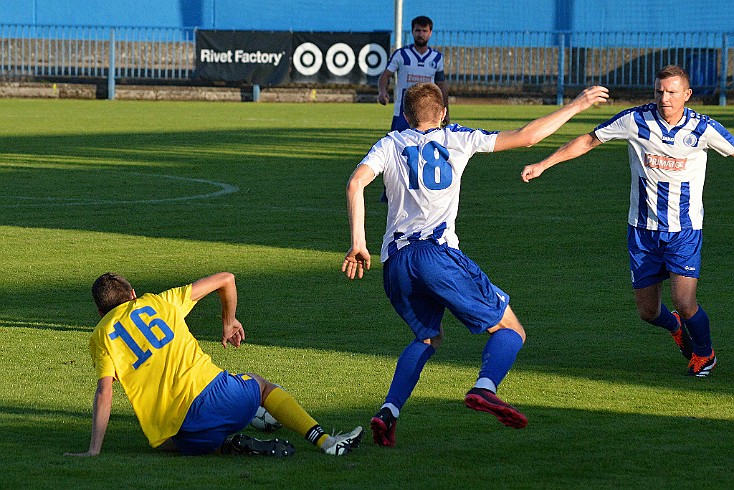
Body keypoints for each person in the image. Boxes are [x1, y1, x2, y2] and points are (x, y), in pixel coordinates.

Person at [343, 82, 609, 447]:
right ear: (443, 113)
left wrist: (359, 242)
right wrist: (577, 105)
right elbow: (528, 137)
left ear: (404, 117)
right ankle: (485, 388)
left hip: (396, 264)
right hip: (437, 256)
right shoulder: (457, 138)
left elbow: (356, 183)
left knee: (427, 337)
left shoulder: (390, 143)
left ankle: (388, 411)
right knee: (511, 330)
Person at [521, 65, 734, 377]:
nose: (665, 97)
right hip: (642, 231)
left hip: (684, 230)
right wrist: (544, 163)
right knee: (648, 311)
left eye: (672, 92)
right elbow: (588, 140)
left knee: (685, 301)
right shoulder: (635, 120)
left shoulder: (703, 128)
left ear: (687, 95)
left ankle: (704, 354)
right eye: (660, 91)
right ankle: (674, 325)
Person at [65, 271, 363, 457]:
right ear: (132, 295)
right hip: (222, 398)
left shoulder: (102, 336)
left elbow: (105, 391)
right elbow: (227, 279)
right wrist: (228, 321)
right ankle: (325, 441)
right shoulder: (157, 302)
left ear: (99, 310)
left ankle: (231, 443)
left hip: (187, 436)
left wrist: (94, 450)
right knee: (259, 384)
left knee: (164, 441)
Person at [378, 15, 449, 132]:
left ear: (430, 33)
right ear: (412, 32)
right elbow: (385, 76)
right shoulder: (401, 54)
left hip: (429, 111)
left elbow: (441, 84)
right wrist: (382, 92)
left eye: (424, 31)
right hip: (403, 111)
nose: (421, 34)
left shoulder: (436, 58)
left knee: (427, 146)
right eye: (418, 30)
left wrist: (446, 110)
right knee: (397, 147)